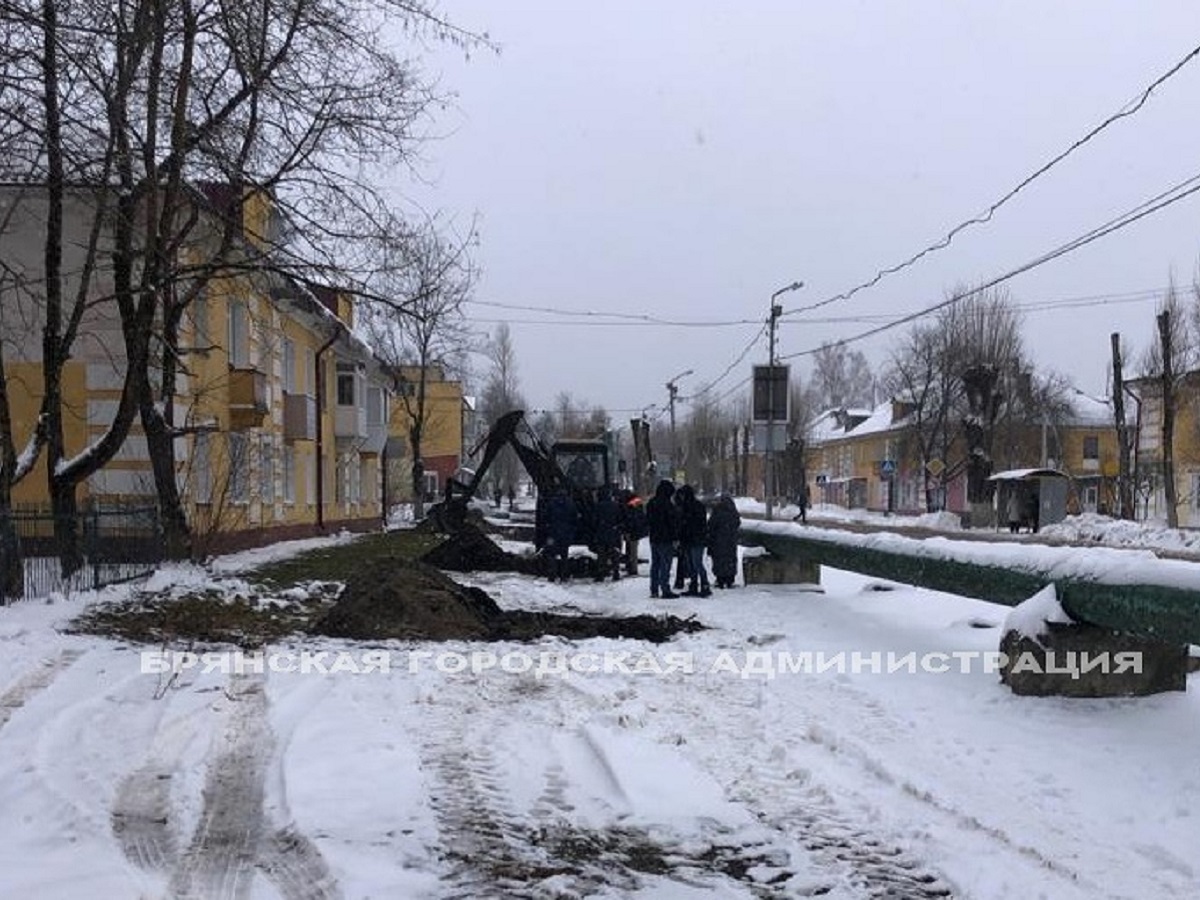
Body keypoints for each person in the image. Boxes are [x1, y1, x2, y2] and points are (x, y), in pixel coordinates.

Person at [645, 479, 679, 599]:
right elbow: (672, 523)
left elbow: (648, 521)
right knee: (665, 565)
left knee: (655, 565)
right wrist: (675, 538)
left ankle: (654, 589)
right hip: (666, 539)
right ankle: (665, 589)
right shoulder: (668, 505)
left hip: (654, 538)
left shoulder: (651, 503)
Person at [677, 484, 711, 597]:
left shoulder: (686, 507)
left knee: (695, 564)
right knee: (695, 564)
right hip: (696, 539)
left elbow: (685, 524)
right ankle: (699, 585)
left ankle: (700, 584)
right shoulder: (697, 506)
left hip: (691, 539)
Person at [544, 486, 578, 583]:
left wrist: (548, 529)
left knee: (551, 554)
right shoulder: (570, 504)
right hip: (565, 534)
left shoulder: (552, 503)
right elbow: (574, 519)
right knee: (564, 555)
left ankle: (552, 575)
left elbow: (546, 517)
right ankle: (563, 575)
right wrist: (571, 531)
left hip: (553, 534)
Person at [707, 493, 741, 589]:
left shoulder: (717, 511)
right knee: (730, 559)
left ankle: (720, 579)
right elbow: (737, 524)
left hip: (718, 541)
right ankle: (730, 579)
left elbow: (711, 525)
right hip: (730, 541)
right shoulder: (733, 512)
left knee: (719, 559)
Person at [591, 485, 623, 582]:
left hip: (601, 533)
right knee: (614, 553)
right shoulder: (615, 506)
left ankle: (601, 573)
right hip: (613, 532)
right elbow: (620, 518)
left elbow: (594, 520)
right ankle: (616, 572)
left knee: (601, 555)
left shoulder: (598, 506)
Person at [671, 487, 692, 592]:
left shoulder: (677, 508)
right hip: (687, 537)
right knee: (687, 559)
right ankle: (688, 579)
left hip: (683, 537)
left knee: (682, 559)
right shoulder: (687, 507)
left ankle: (680, 581)